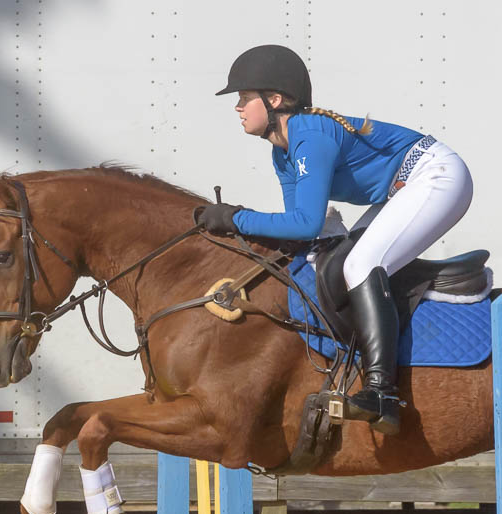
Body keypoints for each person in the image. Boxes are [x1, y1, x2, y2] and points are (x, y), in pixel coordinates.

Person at [194, 45, 475, 435]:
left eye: (244, 97)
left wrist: (236, 218)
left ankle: (382, 392)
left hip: (436, 175)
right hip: (402, 188)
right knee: (340, 261)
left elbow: (306, 222)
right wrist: (235, 224)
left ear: (274, 101)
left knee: (361, 264)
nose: (238, 107)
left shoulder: (309, 136)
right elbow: (301, 232)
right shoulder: (282, 153)